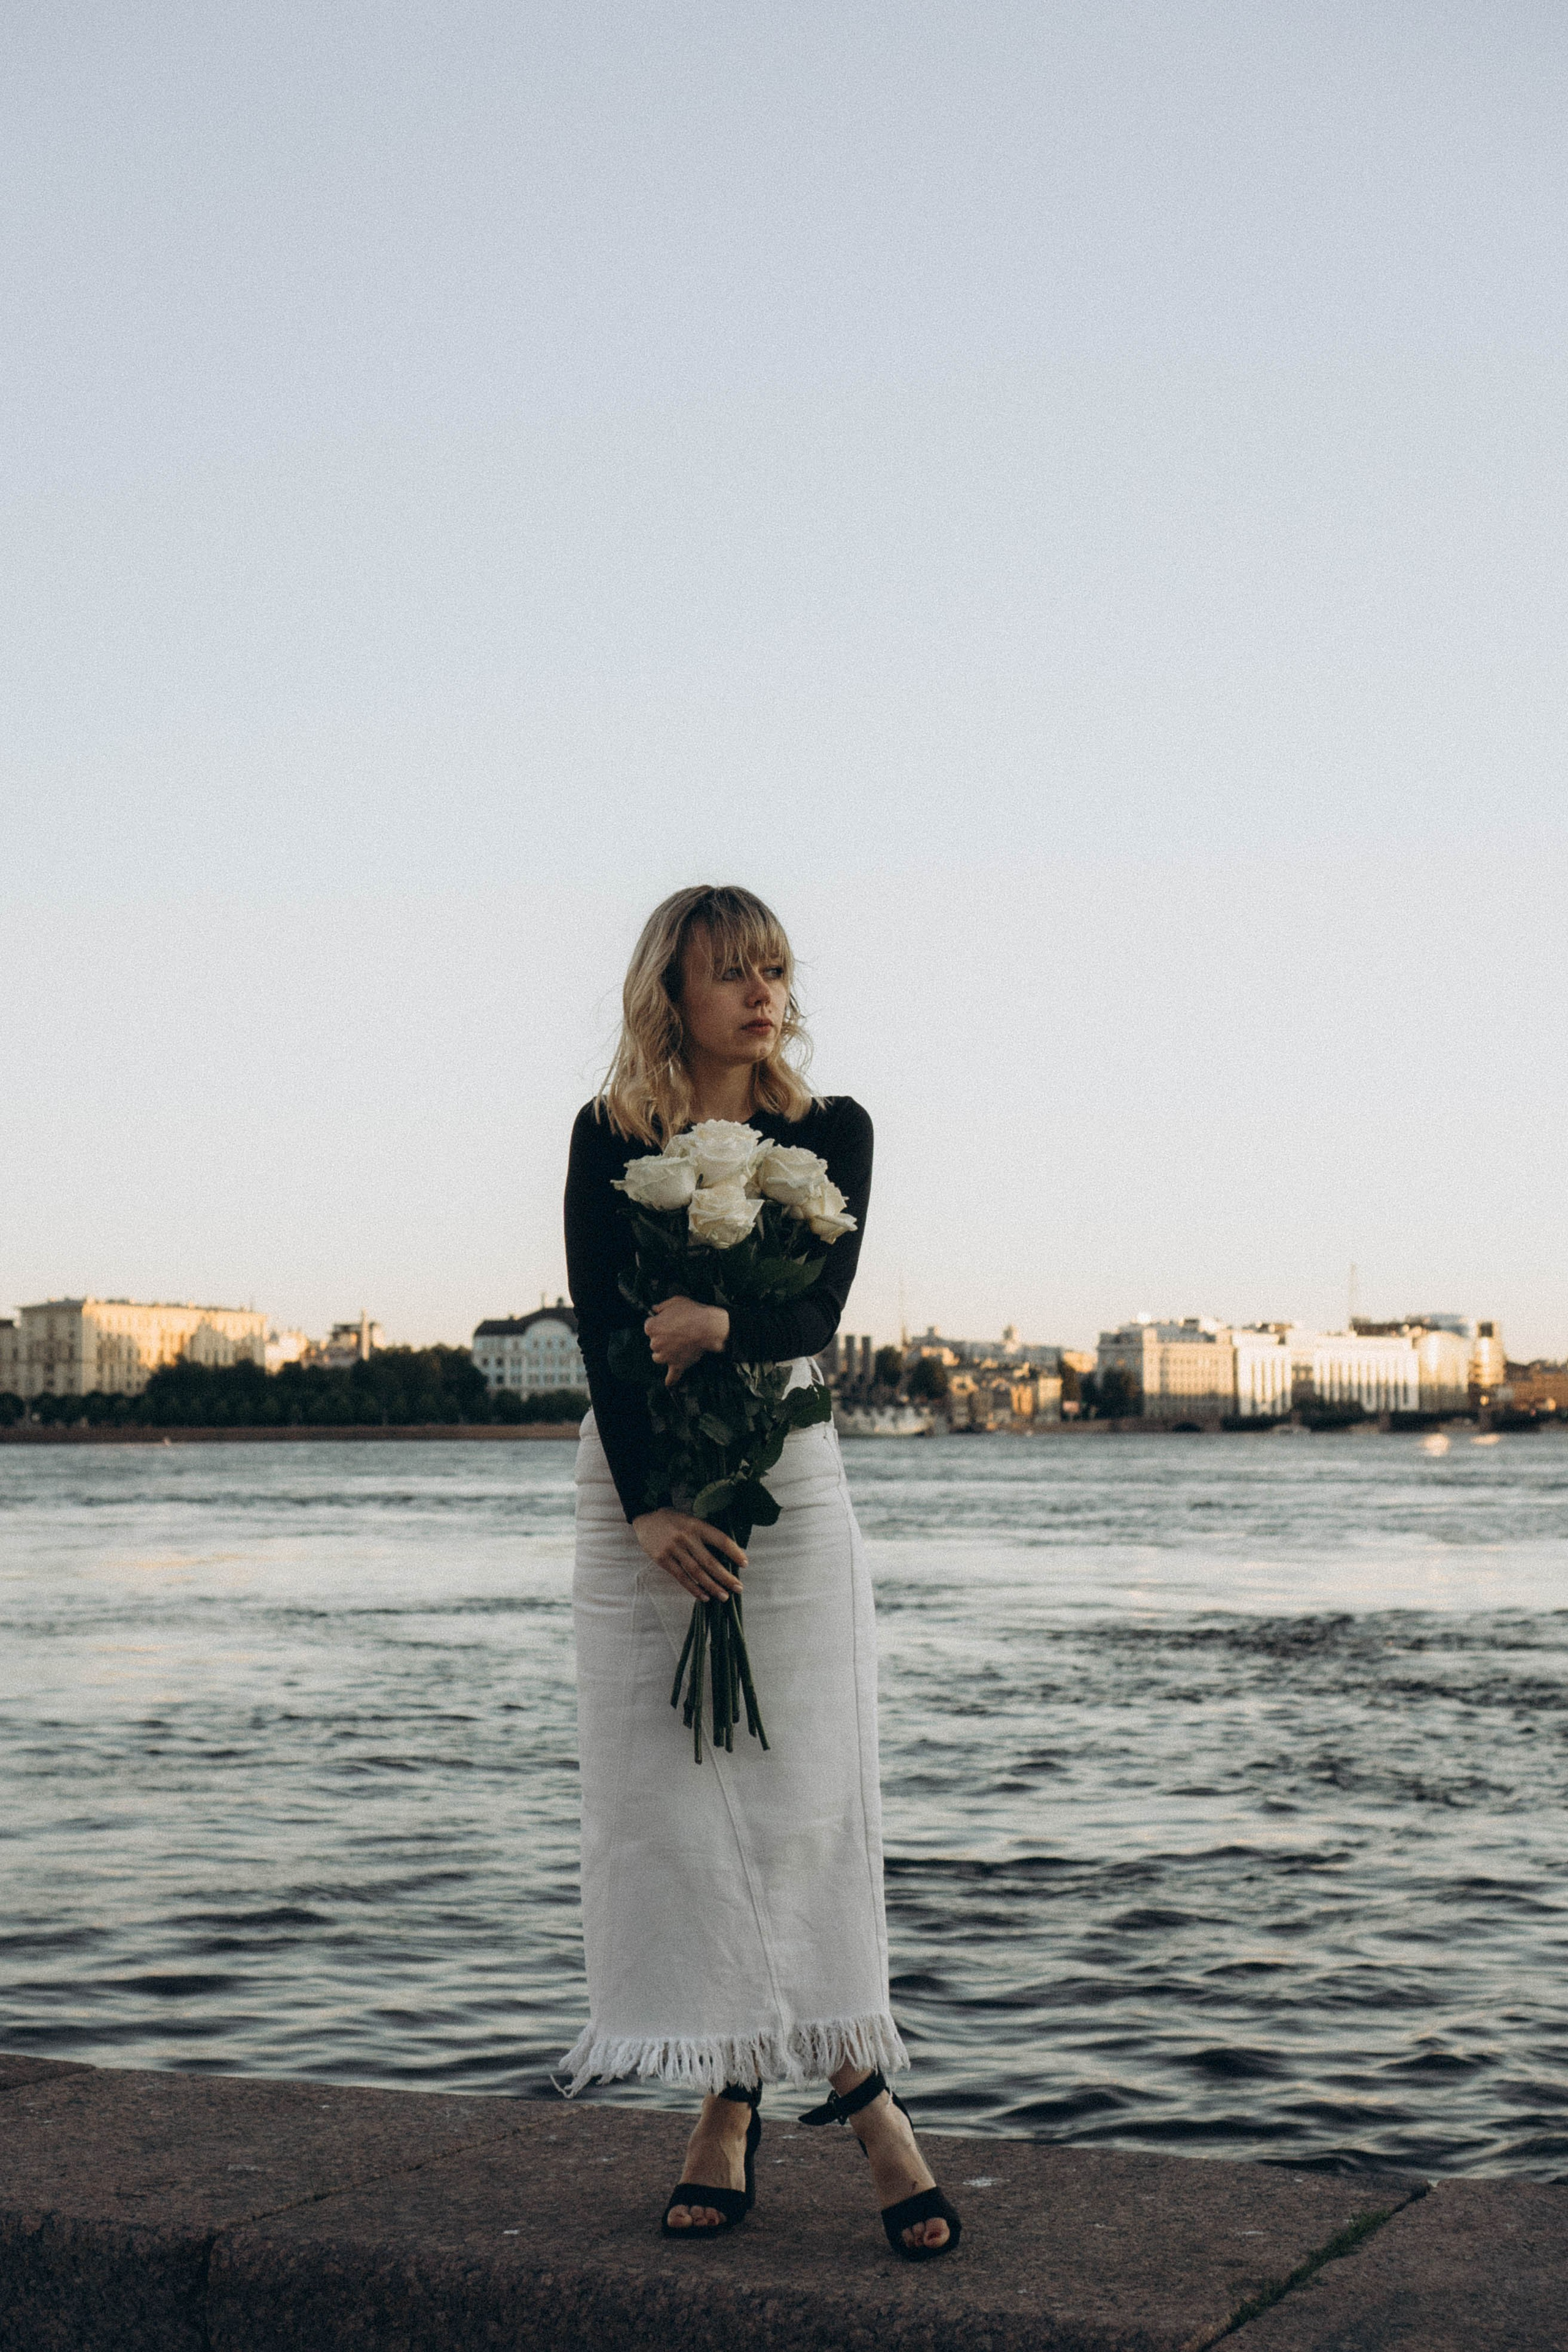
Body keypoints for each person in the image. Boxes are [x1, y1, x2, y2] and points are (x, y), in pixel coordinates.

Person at [562, 883, 961, 2260]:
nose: (761, 994)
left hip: (787, 1472)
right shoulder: (610, 1135)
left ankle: (841, 2092)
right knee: (674, 1804)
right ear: (669, 992)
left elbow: (818, 1314)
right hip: (646, 1492)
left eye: (774, 969)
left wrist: (720, 1321)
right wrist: (644, 1515)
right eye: (731, 971)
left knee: (807, 1796)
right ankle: (744, 2097)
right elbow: (606, 1340)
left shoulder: (830, 1129)